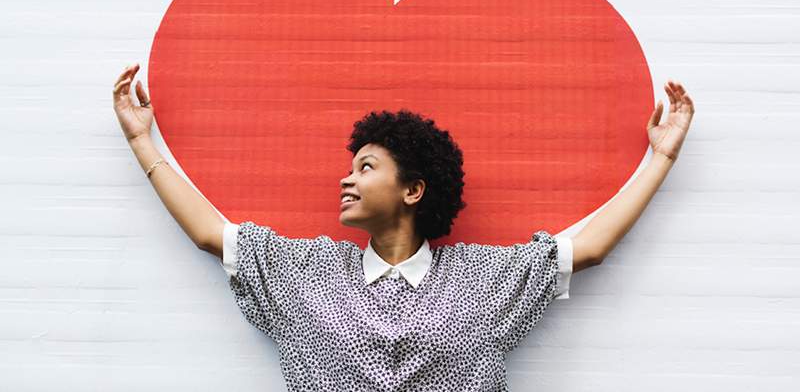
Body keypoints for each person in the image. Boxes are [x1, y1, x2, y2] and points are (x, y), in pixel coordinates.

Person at [112, 62, 695, 391]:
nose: (346, 180)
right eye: (349, 167)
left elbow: (588, 247)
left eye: (366, 167)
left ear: (413, 190)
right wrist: (143, 141)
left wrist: (660, 158)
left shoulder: (484, 279)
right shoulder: (305, 272)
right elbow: (211, 234)